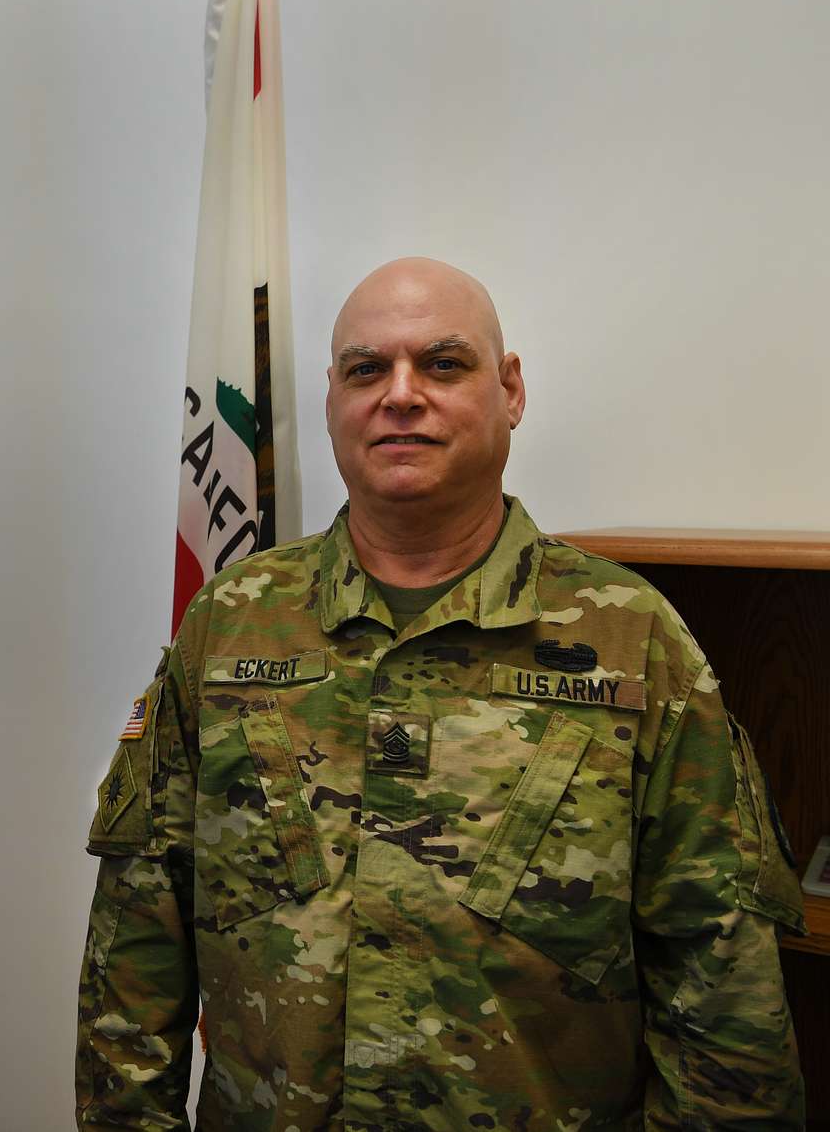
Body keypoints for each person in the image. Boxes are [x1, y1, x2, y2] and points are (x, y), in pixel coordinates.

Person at [76, 257, 806, 1128]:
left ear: (511, 391)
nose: (401, 393)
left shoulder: (633, 640)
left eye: (443, 364)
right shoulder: (230, 626)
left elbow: (723, 1001)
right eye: (366, 368)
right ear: (331, 402)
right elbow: (136, 952)